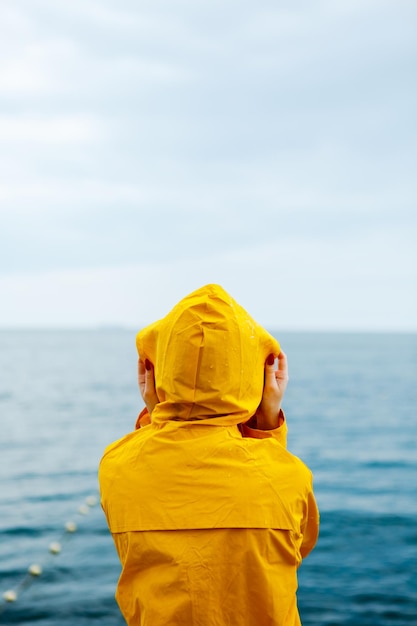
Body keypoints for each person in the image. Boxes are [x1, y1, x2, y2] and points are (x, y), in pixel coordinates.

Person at [99, 284, 319, 626]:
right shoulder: (288, 475)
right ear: (255, 374)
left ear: (158, 371)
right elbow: (293, 549)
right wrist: (267, 424)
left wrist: (158, 410)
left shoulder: (115, 467)